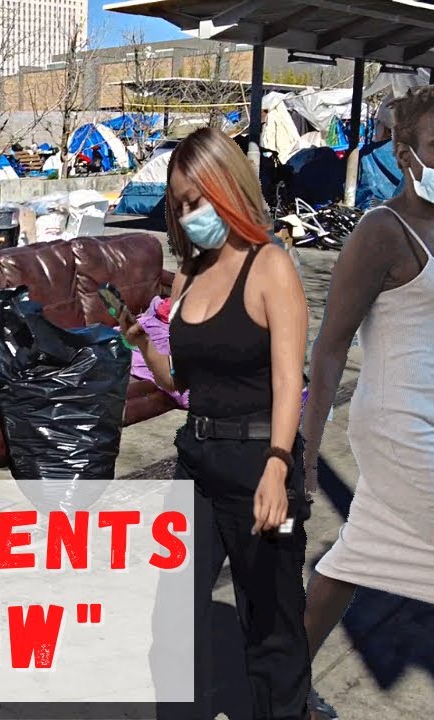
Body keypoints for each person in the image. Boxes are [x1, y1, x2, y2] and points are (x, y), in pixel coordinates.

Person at [300, 82, 434, 720]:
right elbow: (330, 346)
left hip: (431, 429)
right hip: (401, 433)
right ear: (404, 152)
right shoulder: (381, 230)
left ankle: (280, 687)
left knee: (348, 563)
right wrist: (305, 456)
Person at [117, 127, 312, 719]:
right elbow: (183, 382)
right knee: (171, 622)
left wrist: (278, 467)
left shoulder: (270, 266)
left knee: (272, 630)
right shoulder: (189, 275)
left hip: (260, 466)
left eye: (197, 199)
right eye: (180, 205)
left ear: (229, 185)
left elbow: (289, 382)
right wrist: (144, 347)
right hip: (197, 465)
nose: (189, 215)